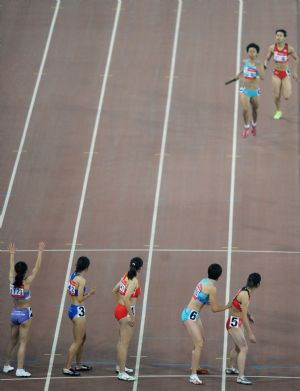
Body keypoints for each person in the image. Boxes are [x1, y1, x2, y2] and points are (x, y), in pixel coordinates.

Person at [181, 263, 231, 385]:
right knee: (199, 343)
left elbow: (200, 296)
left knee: (200, 341)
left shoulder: (203, 281)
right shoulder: (212, 288)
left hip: (194, 315)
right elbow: (214, 309)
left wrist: (206, 302)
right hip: (189, 316)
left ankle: (196, 367)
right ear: (219, 277)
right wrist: (227, 306)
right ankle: (193, 375)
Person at [3, 241, 45, 377]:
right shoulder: (26, 283)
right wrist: (40, 252)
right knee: (23, 342)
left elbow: (10, 269)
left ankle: (6, 365)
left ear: (16, 271)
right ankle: (20, 369)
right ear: (25, 271)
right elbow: (37, 269)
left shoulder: (11, 280)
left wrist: (11, 255)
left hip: (14, 313)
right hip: (25, 314)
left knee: (12, 340)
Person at [225, 273, 261, 385]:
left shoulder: (244, 290)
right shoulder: (245, 294)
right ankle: (240, 377)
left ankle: (230, 368)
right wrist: (250, 334)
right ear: (258, 284)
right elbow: (243, 316)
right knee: (244, 348)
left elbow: (242, 307)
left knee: (237, 347)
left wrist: (249, 315)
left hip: (236, 321)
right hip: (234, 323)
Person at [63, 256, 96, 376]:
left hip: (73, 308)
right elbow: (81, 298)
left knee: (82, 338)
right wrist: (90, 294)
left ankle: (78, 364)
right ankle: (67, 367)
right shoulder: (81, 280)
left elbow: (72, 292)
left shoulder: (73, 276)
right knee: (77, 341)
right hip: (78, 310)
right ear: (87, 267)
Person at [112, 257, 143, 381]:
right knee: (124, 343)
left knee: (121, 341)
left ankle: (120, 366)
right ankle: (122, 372)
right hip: (126, 312)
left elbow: (114, 290)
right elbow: (126, 298)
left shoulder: (125, 276)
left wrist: (120, 304)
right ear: (141, 267)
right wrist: (132, 315)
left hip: (119, 309)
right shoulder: (134, 280)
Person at [264, 29, 298, 119]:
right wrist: (265, 64)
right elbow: (267, 58)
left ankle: (285, 86)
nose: (278, 37)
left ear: (284, 38)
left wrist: (295, 71)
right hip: (276, 73)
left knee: (287, 96)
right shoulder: (272, 48)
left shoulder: (289, 49)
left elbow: (297, 59)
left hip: (286, 74)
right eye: (277, 35)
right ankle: (278, 111)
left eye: (280, 36)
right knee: (276, 95)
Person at [233, 43, 265, 138]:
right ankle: (246, 127)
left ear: (257, 53)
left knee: (255, 109)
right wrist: (238, 75)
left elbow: (262, 77)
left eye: (253, 51)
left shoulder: (259, 64)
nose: (251, 53)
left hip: (255, 91)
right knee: (246, 109)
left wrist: (257, 68)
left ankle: (253, 125)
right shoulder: (244, 61)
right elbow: (243, 69)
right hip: (245, 90)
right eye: (250, 51)